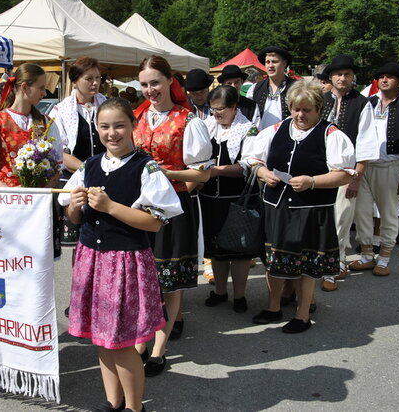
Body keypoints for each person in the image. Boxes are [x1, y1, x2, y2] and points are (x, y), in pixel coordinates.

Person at [59, 98, 183, 412]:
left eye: (119, 126)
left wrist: (111, 206)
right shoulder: (89, 165)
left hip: (125, 262)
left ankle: (134, 407)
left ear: (132, 126)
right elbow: (75, 219)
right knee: (100, 340)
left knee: (123, 344)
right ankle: (113, 403)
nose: (111, 133)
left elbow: (155, 223)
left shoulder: (146, 168)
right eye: (104, 126)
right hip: (92, 259)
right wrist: (75, 206)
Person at [245, 80, 355, 333]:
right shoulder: (276, 129)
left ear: (319, 109)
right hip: (276, 207)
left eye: (307, 110)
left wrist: (312, 181)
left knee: (307, 264)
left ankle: (303, 313)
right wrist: (262, 172)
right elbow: (252, 158)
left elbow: (346, 174)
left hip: (311, 211)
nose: (300, 115)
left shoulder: (331, 134)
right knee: (273, 260)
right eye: (295, 109)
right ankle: (273, 306)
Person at [133, 55, 212, 375]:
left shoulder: (188, 121)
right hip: (138, 210)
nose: (150, 89)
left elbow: (202, 175)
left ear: (169, 81)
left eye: (155, 82)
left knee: (169, 282)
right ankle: (141, 340)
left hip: (175, 209)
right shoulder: (136, 119)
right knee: (142, 279)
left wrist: (167, 173)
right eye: (144, 84)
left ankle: (158, 350)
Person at [0, 63, 64, 258]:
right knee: (9, 259)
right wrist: (8, 191)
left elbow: (58, 164)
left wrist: (45, 188)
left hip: (40, 204)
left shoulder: (47, 123)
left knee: (38, 261)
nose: (44, 92)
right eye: (41, 87)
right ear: (24, 87)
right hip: (8, 204)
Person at [349, 63, 399, 276]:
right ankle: (366, 254)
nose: (384, 80)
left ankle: (383, 258)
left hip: (392, 165)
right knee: (362, 211)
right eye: (381, 76)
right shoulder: (368, 103)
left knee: (389, 212)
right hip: (365, 165)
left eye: (390, 77)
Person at [319, 55, 379, 291]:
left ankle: (335, 266)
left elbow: (366, 143)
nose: (342, 78)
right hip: (319, 170)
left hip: (346, 172)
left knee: (341, 219)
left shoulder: (362, 103)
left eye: (347, 74)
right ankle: (322, 261)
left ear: (354, 78)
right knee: (321, 219)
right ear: (331, 77)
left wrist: (357, 177)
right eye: (338, 74)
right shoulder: (320, 99)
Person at [199, 86, 258, 312]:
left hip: (238, 199)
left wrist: (215, 170)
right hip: (210, 198)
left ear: (235, 107)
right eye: (213, 109)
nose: (216, 114)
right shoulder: (206, 127)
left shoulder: (248, 129)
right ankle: (220, 291)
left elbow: (247, 166)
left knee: (240, 252)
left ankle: (240, 295)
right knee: (217, 250)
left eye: (221, 109)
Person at [49, 57, 107, 247]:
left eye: (98, 78)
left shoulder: (108, 106)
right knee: (82, 242)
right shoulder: (61, 111)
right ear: (75, 81)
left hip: (106, 178)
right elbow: (60, 153)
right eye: (89, 79)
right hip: (75, 183)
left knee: (106, 237)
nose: (95, 83)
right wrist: (88, 169)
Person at [247, 46, 296, 130]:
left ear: (284, 63)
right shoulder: (254, 88)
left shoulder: (297, 87)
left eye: (274, 62)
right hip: (261, 138)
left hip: (287, 137)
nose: (270, 65)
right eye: (267, 62)